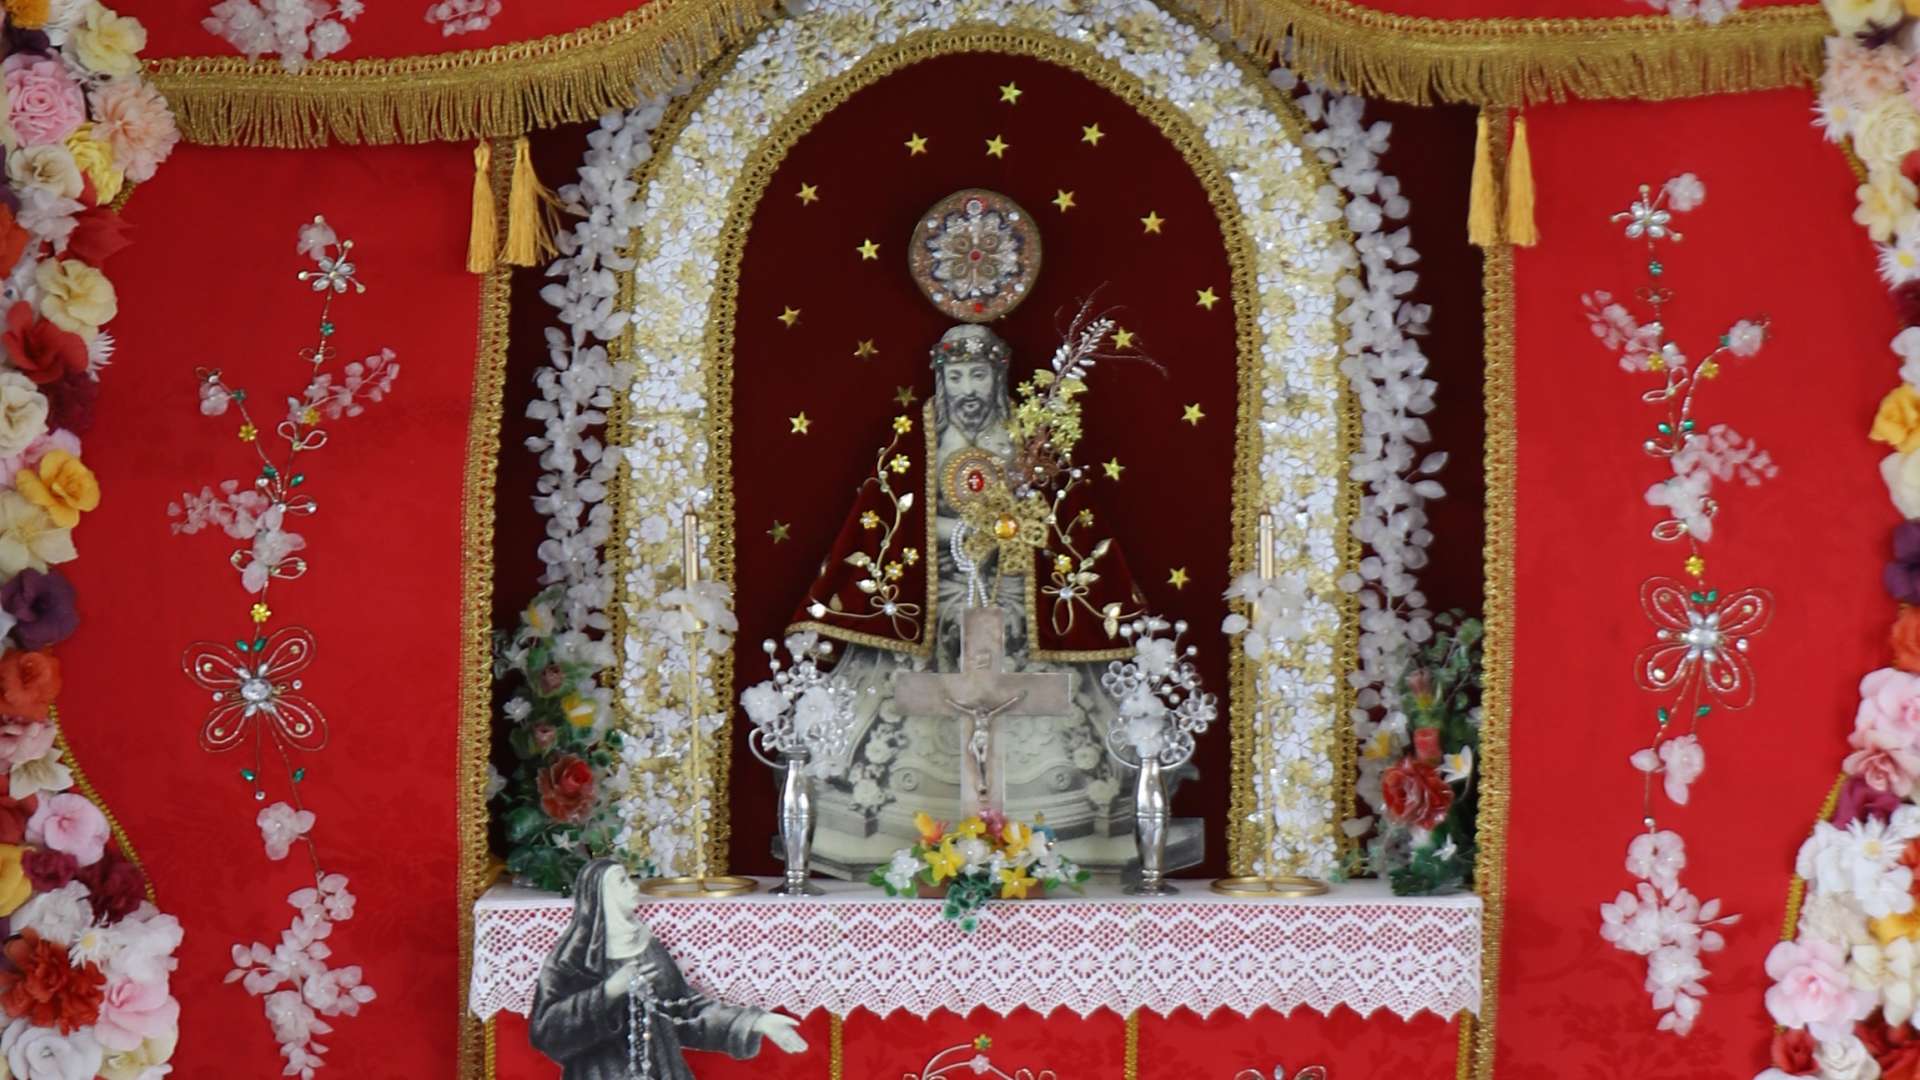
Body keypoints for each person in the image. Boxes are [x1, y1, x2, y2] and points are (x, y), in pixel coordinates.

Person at [529, 860, 806, 1079]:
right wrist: (608, 992)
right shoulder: (573, 957)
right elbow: (546, 1031)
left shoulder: (645, 945)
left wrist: (757, 1022)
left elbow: (683, 1008)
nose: (633, 887)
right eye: (622, 882)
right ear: (600, 895)